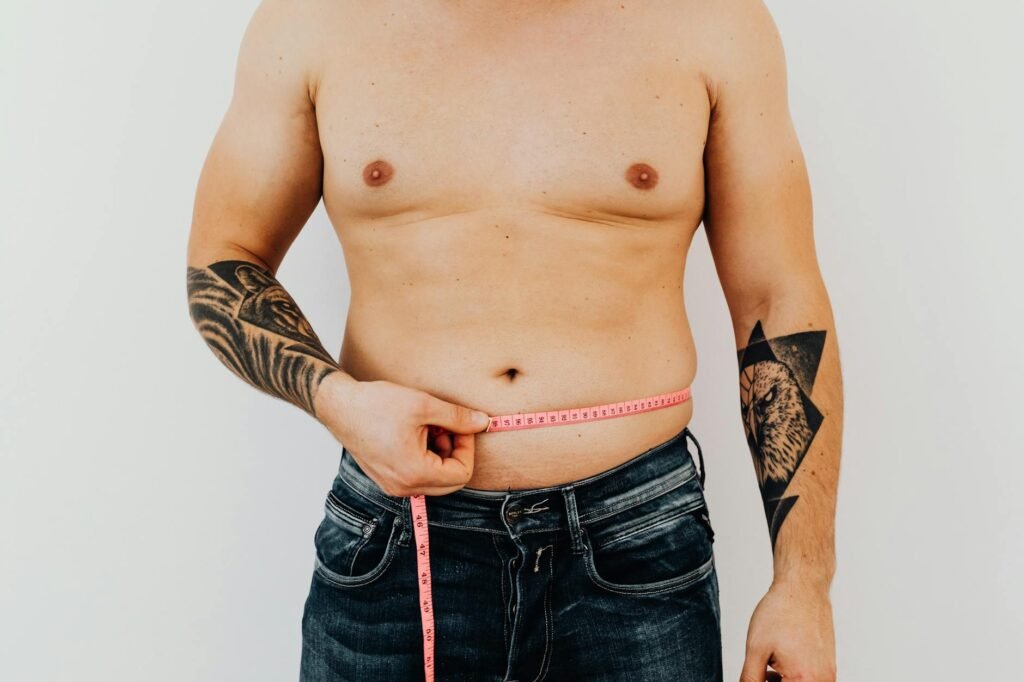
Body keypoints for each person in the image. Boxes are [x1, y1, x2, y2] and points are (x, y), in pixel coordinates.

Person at [186, 1, 842, 680]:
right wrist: (335, 401)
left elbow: (778, 301)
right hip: (395, 536)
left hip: (637, 539)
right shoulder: (313, 19)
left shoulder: (711, 21)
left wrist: (803, 585)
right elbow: (223, 260)